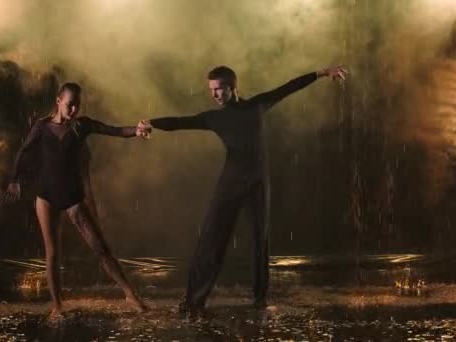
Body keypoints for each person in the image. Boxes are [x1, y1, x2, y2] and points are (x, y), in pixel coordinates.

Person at [142, 65, 347, 316]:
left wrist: (322, 73)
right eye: (211, 90)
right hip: (231, 182)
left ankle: (260, 299)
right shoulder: (214, 117)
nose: (215, 95)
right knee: (211, 238)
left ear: (233, 87)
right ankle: (194, 300)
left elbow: (288, 88)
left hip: (258, 182)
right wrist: (150, 122)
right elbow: (181, 122)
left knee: (261, 240)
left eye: (219, 89)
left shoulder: (257, 105)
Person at [4, 82, 152, 317]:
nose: (74, 110)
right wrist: (15, 180)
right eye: (70, 104)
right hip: (46, 197)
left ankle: (131, 295)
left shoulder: (81, 126)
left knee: (101, 249)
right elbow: (24, 151)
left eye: (77, 105)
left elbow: (112, 130)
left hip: (72, 197)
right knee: (52, 254)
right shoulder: (42, 126)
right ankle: (57, 306)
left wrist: (136, 130)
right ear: (58, 101)